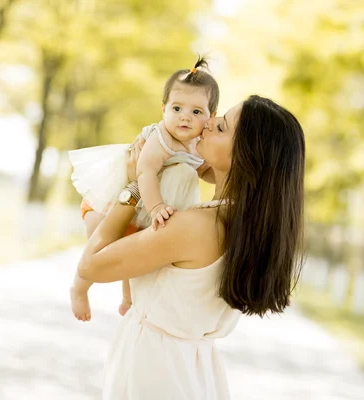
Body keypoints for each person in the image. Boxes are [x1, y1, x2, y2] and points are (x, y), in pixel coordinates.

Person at [71, 95, 306, 399]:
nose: (206, 122)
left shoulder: (196, 226)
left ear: (246, 157)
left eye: (221, 127)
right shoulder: (244, 228)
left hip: (155, 375)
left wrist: (132, 188)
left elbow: (91, 265)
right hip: (192, 372)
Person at [68, 56, 219, 320]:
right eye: (177, 108)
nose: (185, 117)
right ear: (163, 109)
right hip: (116, 198)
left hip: (143, 210)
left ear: (211, 117)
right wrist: (157, 206)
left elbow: (205, 171)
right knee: (99, 238)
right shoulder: (161, 138)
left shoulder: (198, 146)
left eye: (196, 112)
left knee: (129, 253)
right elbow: (145, 172)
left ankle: (128, 299)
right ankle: (79, 288)